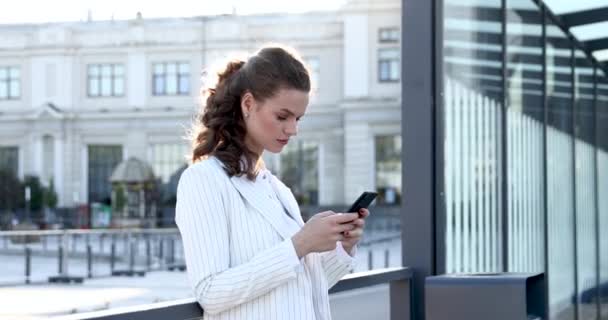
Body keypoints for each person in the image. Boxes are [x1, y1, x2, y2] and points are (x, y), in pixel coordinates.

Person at [175, 45, 370, 320]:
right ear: (248, 104)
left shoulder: (277, 189)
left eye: (298, 118)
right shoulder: (203, 180)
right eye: (282, 116)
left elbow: (301, 287)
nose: (293, 129)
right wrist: (300, 243)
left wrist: (342, 246)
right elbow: (211, 292)